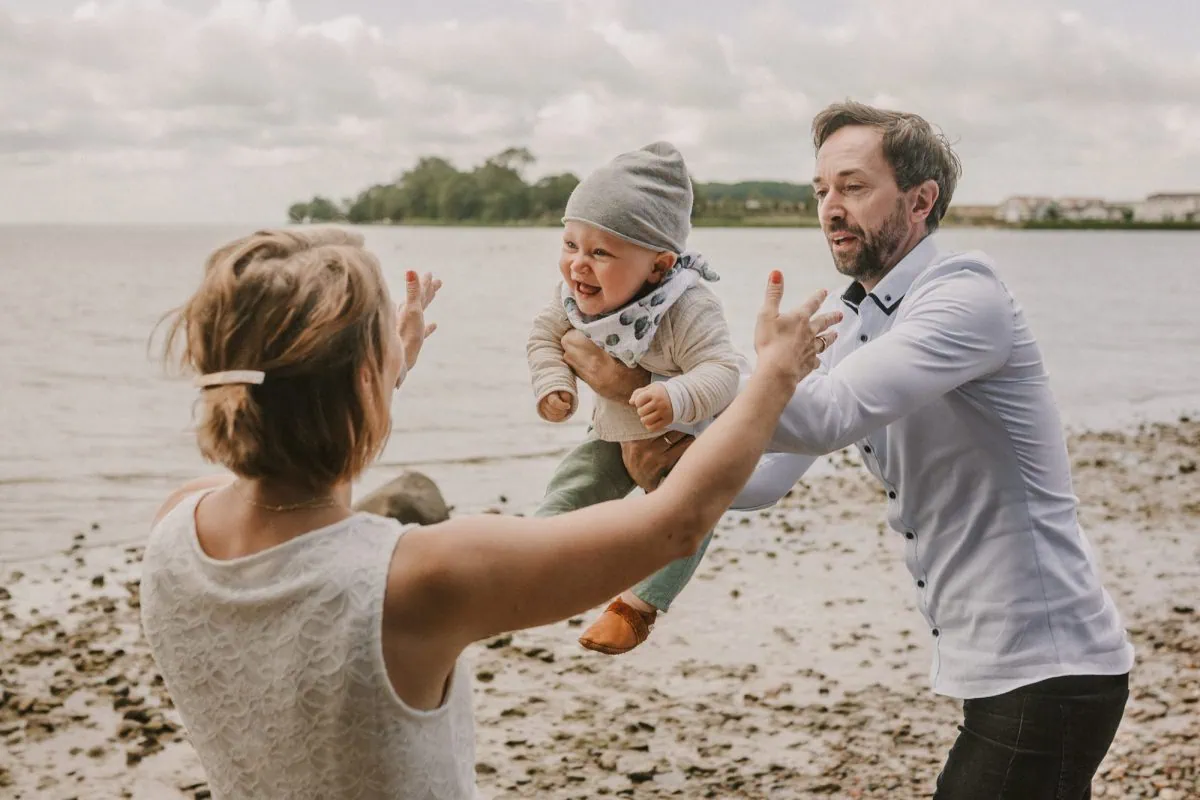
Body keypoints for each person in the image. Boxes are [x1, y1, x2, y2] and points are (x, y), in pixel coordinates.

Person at [138, 227, 840, 800]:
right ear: (361, 379)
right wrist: (775, 376)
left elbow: (289, 478)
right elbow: (676, 523)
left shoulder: (176, 524)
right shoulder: (415, 580)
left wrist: (375, 377)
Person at [560, 102, 1135, 799]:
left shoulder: (964, 297)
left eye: (854, 187)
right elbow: (765, 478)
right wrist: (673, 451)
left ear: (920, 201)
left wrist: (656, 388)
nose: (830, 207)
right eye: (821, 189)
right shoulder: (858, 321)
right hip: (1002, 665)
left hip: (1050, 662)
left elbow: (827, 416)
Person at [527, 141, 806, 655]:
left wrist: (674, 395)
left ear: (658, 267)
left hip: (687, 439)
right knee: (574, 482)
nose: (578, 266)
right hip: (613, 430)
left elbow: (721, 371)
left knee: (691, 510)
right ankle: (527, 557)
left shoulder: (687, 307)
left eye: (600, 253)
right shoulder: (573, 295)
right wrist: (553, 383)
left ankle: (638, 606)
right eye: (570, 244)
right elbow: (544, 336)